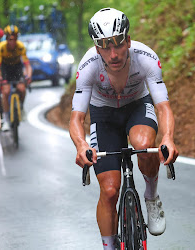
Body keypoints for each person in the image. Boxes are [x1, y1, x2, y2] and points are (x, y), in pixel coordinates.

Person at [69, 7, 179, 249]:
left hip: (136, 106)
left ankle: (151, 196)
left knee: (143, 145)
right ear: (97, 48)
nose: (113, 53)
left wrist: (168, 138)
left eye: (118, 43)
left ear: (128, 40)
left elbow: (163, 107)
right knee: (109, 191)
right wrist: (81, 145)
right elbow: (76, 118)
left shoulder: (146, 58)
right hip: (103, 115)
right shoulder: (88, 66)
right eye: (104, 46)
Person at [0, 25, 32, 131]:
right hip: (5, 69)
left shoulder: (20, 46)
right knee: (6, 92)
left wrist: (28, 76)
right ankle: (6, 119)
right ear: (6, 39)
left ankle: (21, 107)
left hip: (17, 68)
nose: (13, 42)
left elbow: (27, 65)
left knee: (22, 89)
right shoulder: (1, 48)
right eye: (11, 39)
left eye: (15, 39)